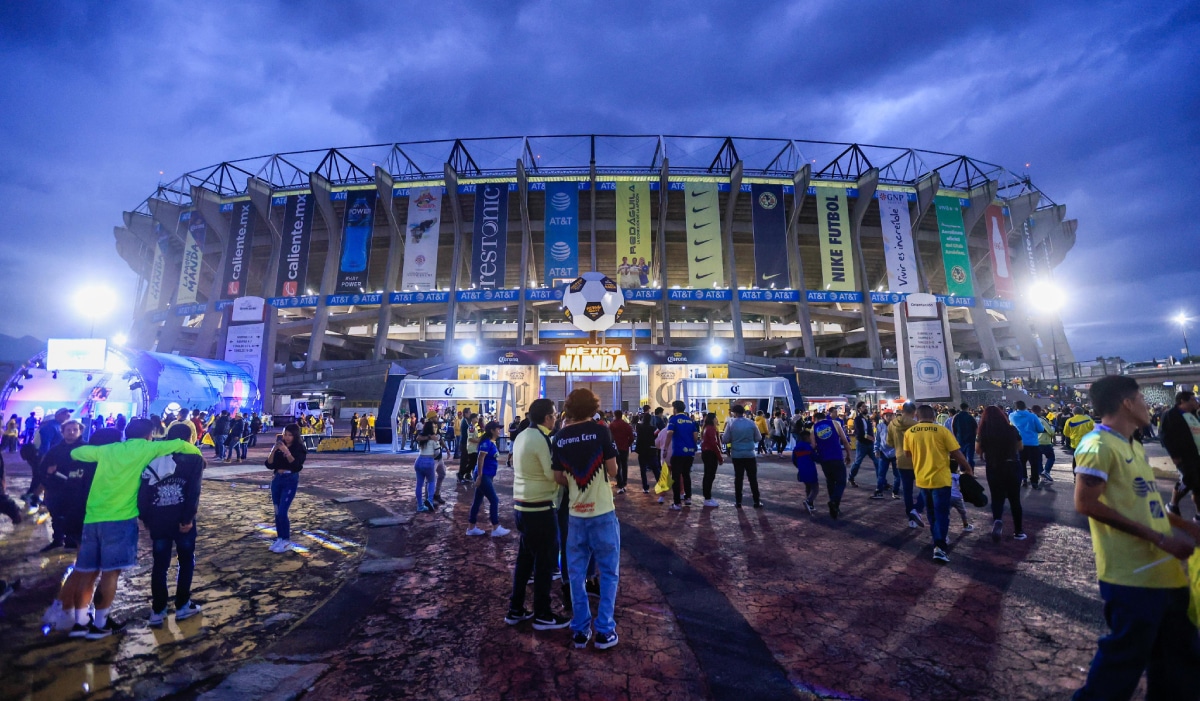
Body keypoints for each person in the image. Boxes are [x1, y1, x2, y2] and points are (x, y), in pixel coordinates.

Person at [1072, 375, 1200, 699]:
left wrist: (1187, 528)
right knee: (1121, 665)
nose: (1147, 405)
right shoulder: (1097, 445)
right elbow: (1085, 503)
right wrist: (1160, 540)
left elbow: (1149, 505)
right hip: (1131, 576)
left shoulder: (1134, 445)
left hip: (1164, 573)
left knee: (1178, 660)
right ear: (1127, 403)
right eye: (1142, 399)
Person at [67, 418, 201, 639]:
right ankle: (100, 624)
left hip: (92, 518)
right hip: (120, 518)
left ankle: (80, 621)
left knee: (87, 571)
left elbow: (77, 453)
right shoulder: (148, 448)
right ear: (149, 434)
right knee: (110, 573)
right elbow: (181, 444)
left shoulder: (109, 450)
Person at [551, 388, 620, 650]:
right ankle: (604, 630)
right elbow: (612, 470)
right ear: (593, 408)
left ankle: (580, 629)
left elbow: (558, 478)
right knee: (609, 572)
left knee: (576, 574)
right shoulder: (601, 430)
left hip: (575, 515)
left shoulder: (559, 437)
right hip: (602, 512)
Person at [506, 398, 571, 630]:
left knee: (525, 560)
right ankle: (542, 613)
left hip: (522, 506)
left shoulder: (523, 435)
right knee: (545, 562)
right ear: (547, 418)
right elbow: (551, 473)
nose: (556, 418)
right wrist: (576, 481)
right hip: (541, 507)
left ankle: (515, 608)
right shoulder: (541, 439)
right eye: (554, 414)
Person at [139, 422, 205, 625]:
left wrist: (146, 518)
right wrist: (187, 519)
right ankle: (183, 605)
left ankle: (158, 611)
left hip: (159, 520)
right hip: (182, 520)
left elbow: (143, 491)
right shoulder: (194, 458)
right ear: (188, 438)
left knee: (160, 565)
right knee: (185, 562)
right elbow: (193, 491)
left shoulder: (153, 456)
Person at [903, 405, 974, 563]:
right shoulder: (942, 431)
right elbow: (957, 453)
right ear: (934, 416)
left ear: (917, 416)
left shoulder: (910, 433)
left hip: (922, 479)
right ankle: (940, 547)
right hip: (941, 479)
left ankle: (937, 540)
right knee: (942, 514)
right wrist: (968, 468)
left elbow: (908, 454)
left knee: (931, 513)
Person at [976, 406, 1026, 542]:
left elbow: (978, 450)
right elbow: (1020, 447)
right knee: (1015, 499)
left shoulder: (984, 432)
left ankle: (998, 519)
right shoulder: (1011, 429)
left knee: (997, 497)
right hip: (1012, 465)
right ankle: (1018, 531)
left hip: (993, 466)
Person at [37, 419, 86, 551]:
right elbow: (43, 468)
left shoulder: (86, 449)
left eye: (75, 430)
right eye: (68, 430)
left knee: (74, 518)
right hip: (56, 490)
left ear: (80, 431)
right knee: (56, 516)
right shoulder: (55, 450)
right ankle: (57, 540)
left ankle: (72, 542)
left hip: (77, 492)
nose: (71, 432)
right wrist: (48, 472)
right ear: (62, 432)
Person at [265, 423, 307, 553]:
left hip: (290, 480)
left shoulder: (299, 448)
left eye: (290, 435)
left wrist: (286, 452)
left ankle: (286, 540)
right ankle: (280, 538)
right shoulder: (279, 446)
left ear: (295, 436)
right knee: (277, 511)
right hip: (277, 479)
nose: (287, 437)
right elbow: (269, 464)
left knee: (283, 511)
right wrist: (273, 449)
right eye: (285, 434)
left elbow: (296, 466)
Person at [1160, 390, 1200, 518]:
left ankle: (1197, 513)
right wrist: (1174, 455)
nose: (1195, 402)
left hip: (1196, 455)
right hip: (1185, 456)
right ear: (1183, 401)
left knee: (1197, 484)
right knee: (1188, 480)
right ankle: (1172, 505)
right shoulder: (1171, 415)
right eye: (1193, 400)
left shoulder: (1193, 414)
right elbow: (1165, 436)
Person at [466, 422, 509, 537]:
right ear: (492, 430)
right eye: (497, 429)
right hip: (483, 476)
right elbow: (480, 459)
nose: (499, 431)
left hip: (487, 476)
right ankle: (495, 527)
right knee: (494, 500)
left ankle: (471, 527)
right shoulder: (486, 443)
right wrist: (480, 476)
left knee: (477, 501)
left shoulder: (490, 443)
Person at [889, 402, 926, 528]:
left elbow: (889, 442)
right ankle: (917, 509)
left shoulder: (892, 424)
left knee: (907, 491)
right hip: (918, 460)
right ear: (914, 412)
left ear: (902, 410)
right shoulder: (918, 426)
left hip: (901, 459)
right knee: (926, 487)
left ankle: (911, 518)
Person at [812, 409, 852, 519]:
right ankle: (834, 502)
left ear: (815, 419)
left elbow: (813, 446)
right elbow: (844, 440)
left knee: (830, 481)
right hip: (837, 457)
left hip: (824, 459)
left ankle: (834, 507)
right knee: (841, 481)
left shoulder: (813, 428)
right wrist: (848, 455)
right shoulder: (835, 423)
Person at [723, 404, 763, 508]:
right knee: (753, 479)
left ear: (734, 413)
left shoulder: (731, 424)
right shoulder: (751, 423)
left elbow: (725, 439)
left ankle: (738, 501)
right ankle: (756, 501)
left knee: (738, 478)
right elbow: (758, 438)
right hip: (750, 454)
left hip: (737, 454)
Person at [664, 400, 699, 510]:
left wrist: (665, 448)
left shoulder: (673, 420)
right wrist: (693, 447)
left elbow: (669, 434)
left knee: (676, 476)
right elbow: (695, 436)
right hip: (689, 452)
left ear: (675, 409)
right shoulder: (690, 421)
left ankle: (677, 503)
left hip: (678, 452)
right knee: (686, 475)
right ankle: (688, 498)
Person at [1009, 401, 1044, 490]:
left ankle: (1023, 479)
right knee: (1034, 463)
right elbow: (1040, 429)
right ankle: (1034, 481)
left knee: (1021, 463)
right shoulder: (1032, 416)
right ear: (1025, 406)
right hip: (1033, 443)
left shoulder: (1012, 416)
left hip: (1019, 443)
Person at [849, 402, 877, 490]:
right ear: (859, 409)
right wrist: (871, 438)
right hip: (862, 444)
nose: (865, 408)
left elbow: (870, 430)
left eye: (866, 407)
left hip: (870, 444)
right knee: (857, 463)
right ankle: (851, 478)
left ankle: (882, 481)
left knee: (878, 462)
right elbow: (860, 433)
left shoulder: (868, 418)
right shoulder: (857, 419)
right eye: (863, 407)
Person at [874, 409, 900, 500]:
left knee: (897, 474)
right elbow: (877, 439)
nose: (889, 417)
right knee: (881, 474)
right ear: (883, 416)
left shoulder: (897, 426)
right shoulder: (880, 426)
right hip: (883, 453)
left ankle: (895, 492)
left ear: (893, 416)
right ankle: (879, 491)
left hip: (896, 453)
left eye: (890, 415)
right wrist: (876, 450)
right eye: (887, 415)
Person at [699, 412, 723, 507]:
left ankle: (707, 497)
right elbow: (714, 444)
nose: (717, 420)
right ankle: (707, 498)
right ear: (713, 419)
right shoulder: (711, 429)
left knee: (708, 475)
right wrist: (720, 457)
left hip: (707, 453)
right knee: (710, 476)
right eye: (716, 418)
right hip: (710, 454)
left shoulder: (706, 428)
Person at [414, 420, 439, 512]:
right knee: (431, 482)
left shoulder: (422, 437)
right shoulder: (434, 439)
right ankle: (430, 500)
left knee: (419, 484)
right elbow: (437, 452)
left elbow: (418, 438)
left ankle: (420, 506)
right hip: (429, 461)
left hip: (419, 460)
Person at [634, 412, 660, 494]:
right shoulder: (653, 428)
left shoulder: (639, 427)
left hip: (641, 451)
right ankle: (660, 485)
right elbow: (657, 436)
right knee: (656, 469)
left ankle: (645, 487)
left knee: (643, 470)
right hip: (651, 450)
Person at [609, 410, 633, 494]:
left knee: (617, 465)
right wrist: (628, 444)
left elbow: (609, 437)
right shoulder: (626, 425)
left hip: (615, 448)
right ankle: (624, 481)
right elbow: (631, 437)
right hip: (624, 448)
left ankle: (620, 482)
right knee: (624, 465)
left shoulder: (611, 425)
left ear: (615, 415)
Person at [951, 402, 978, 468]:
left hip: (960, 439)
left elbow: (953, 428)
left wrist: (956, 437)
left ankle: (963, 471)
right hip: (970, 439)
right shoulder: (970, 417)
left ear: (960, 408)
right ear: (967, 408)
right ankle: (971, 472)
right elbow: (976, 428)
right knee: (970, 457)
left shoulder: (956, 417)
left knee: (962, 457)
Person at [1035, 406, 1056, 483]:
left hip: (1035, 442)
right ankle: (1046, 471)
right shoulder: (1042, 420)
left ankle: (1041, 474)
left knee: (1038, 460)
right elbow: (1050, 431)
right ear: (1040, 411)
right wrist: (1053, 434)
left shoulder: (1031, 420)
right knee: (1051, 457)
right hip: (1044, 441)